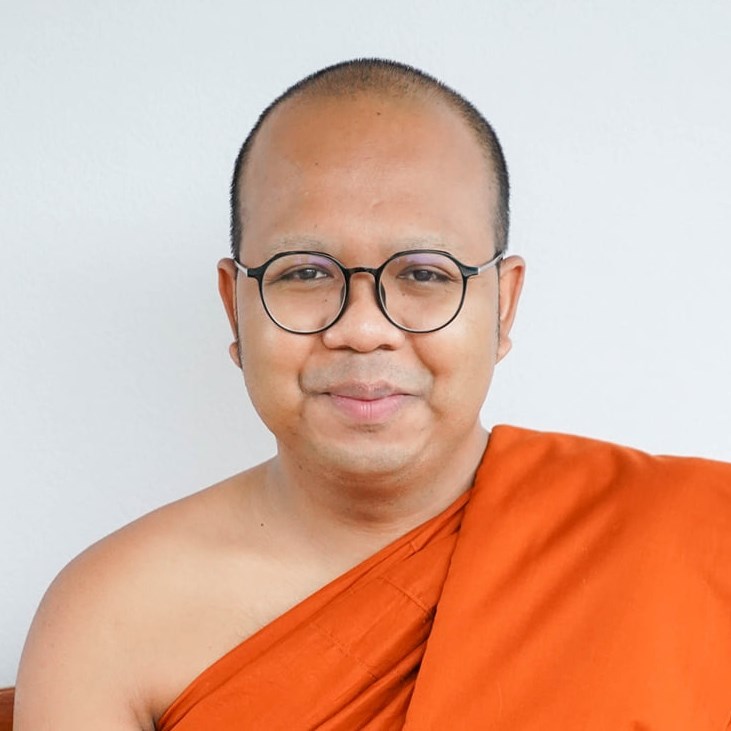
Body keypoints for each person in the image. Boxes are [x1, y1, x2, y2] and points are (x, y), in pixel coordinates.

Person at [14, 59, 731, 731]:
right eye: (304, 272)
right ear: (235, 308)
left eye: (424, 273)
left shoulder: (694, 538)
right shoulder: (112, 619)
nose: (362, 329)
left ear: (503, 305)